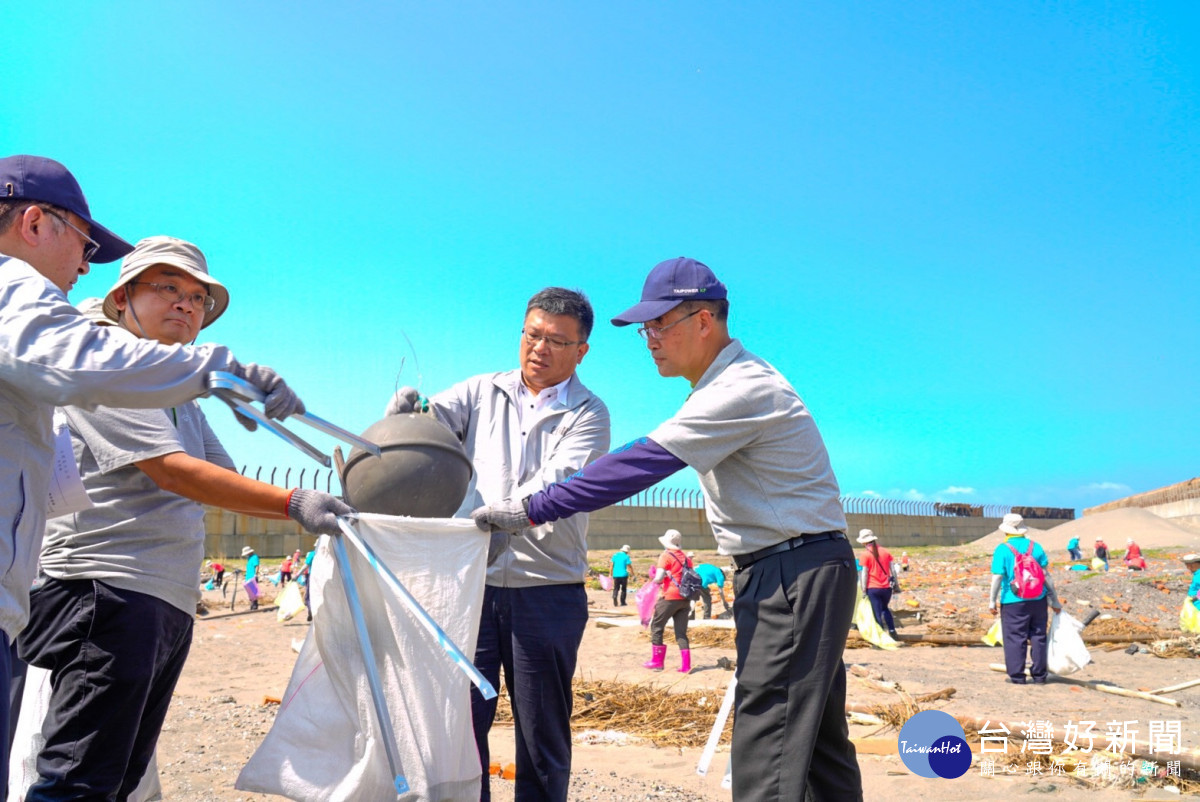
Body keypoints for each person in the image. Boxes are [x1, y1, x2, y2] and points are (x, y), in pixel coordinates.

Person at [472, 257, 861, 801]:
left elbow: (639, 463)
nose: (649, 338)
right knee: (818, 742)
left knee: (767, 741)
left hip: (791, 572)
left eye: (659, 324)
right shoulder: (725, 383)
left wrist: (530, 508)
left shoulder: (739, 388)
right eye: (644, 330)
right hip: (799, 565)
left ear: (704, 320)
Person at [0, 155, 305, 785]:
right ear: (35, 223)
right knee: (80, 778)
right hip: (106, 587)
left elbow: (216, 469)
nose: (187, 306)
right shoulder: (54, 323)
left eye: (197, 298)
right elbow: (174, 471)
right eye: (168, 288)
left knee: (112, 775)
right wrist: (297, 505)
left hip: (157, 591)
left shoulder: (161, 385)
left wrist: (312, 493)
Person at [383, 287, 610, 802]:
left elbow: (563, 480)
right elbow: (429, 430)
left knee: (541, 728)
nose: (540, 348)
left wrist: (511, 513)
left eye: (557, 340)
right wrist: (406, 416)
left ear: (581, 351)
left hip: (547, 587)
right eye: (533, 334)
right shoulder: (483, 390)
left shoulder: (589, 413)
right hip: (471, 583)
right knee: (462, 720)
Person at [988, 513, 1062, 685]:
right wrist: (1054, 601)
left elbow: (997, 577)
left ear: (1006, 530)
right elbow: (1046, 576)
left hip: (1013, 601)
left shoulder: (1002, 549)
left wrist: (992, 601)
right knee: (1038, 636)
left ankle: (1017, 676)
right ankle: (1039, 676)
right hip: (1038, 599)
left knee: (1015, 637)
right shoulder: (1036, 547)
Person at [645, 529, 693, 673]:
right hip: (685, 598)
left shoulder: (666, 556)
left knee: (657, 626)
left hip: (670, 597)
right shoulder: (686, 558)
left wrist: (653, 582)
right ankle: (686, 666)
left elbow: (659, 578)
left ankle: (657, 662)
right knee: (681, 632)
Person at [856, 529, 898, 639]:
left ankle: (880, 637)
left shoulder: (865, 555)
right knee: (885, 609)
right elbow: (893, 571)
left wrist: (864, 590)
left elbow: (864, 574)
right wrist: (896, 585)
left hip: (873, 588)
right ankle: (893, 632)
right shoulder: (886, 552)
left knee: (876, 613)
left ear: (864, 542)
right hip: (886, 588)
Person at [243, 545, 262, 610]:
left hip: (252, 576)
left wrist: (255, 574)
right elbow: (249, 568)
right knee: (250, 592)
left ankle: (255, 605)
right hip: (248, 576)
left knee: (254, 592)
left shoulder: (254, 557)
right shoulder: (249, 558)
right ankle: (252, 604)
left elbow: (257, 566)